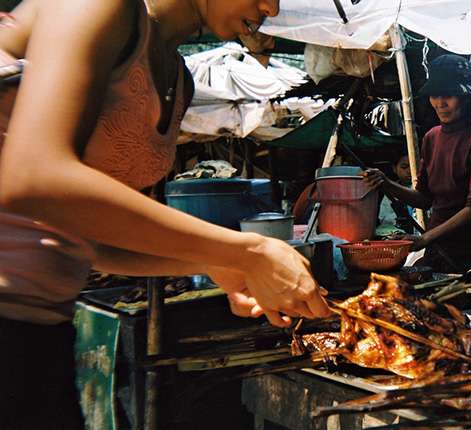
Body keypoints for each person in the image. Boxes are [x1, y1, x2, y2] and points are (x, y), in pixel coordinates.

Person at [0, 0, 329, 428]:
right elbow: (34, 178)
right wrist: (246, 250)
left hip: (39, 334)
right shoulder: (100, 7)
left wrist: (212, 261)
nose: (271, 6)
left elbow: (89, 239)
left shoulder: (178, 80)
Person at [362, 55, 471, 273]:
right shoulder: (431, 137)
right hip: (437, 248)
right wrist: (386, 183)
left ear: (466, 97)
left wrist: (425, 238)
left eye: (449, 95)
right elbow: (424, 199)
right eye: (434, 95)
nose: (440, 103)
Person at [375, 154, 415, 237]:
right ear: (394, 169)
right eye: (404, 167)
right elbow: (383, 216)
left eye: (413, 166)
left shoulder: (424, 188)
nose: (409, 171)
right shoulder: (391, 190)